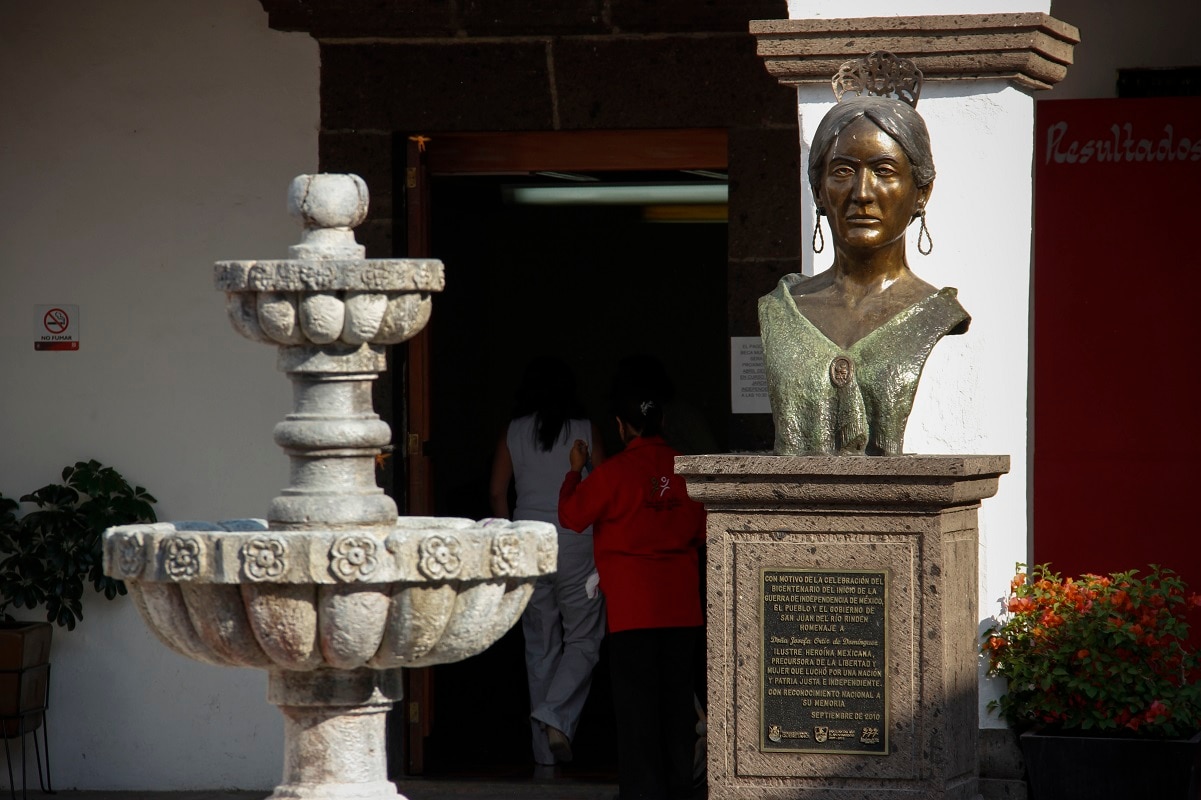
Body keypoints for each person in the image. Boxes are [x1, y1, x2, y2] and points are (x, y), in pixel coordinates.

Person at [758, 52, 970, 456]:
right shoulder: (781, 310)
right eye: (842, 171)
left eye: (884, 171)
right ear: (819, 192)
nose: (862, 193)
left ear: (921, 193)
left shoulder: (934, 313)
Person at [558, 385, 706, 800]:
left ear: (622, 427)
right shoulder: (688, 471)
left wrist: (574, 471)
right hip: (682, 611)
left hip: (631, 613)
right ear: (661, 422)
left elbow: (571, 516)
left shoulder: (612, 474)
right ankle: (681, 791)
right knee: (677, 711)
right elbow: (703, 531)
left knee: (637, 715)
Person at [489, 356, 607, 768]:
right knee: (584, 639)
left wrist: (504, 543)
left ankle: (545, 757)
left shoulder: (513, 431)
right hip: (577, 541)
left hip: (526, 543)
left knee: (539, 647)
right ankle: (556, 716)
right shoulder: (585, 430)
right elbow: (605, 490)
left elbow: (497, 491)